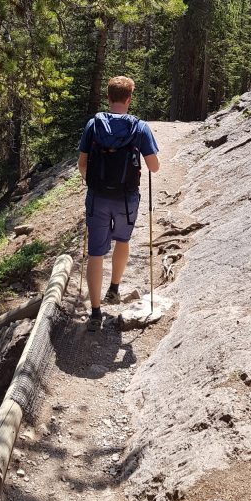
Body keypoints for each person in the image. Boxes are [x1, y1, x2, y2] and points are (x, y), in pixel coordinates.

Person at [77, 75, 159, 331]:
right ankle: (114, 289)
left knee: (95, 252)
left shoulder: (94, 124)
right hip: (126, 198)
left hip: (98, 196)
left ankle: (94, 312)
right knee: (122, 240)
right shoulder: (140, 128)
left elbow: (82, 163)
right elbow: (153, 168)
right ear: (129, 98)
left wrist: (93, 182)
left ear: (109, 97)